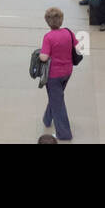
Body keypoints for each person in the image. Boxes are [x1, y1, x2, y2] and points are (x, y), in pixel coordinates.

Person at [38, 7, 76, 141]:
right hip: (67, 71)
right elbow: (76, 46)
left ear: (48, 22)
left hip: (53, 74)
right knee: (56, 97)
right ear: (61, 20)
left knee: (58, 103)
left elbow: (43, 57)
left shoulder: (48, 37)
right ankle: (47, 118)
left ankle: (64, 134)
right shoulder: (68, 32)